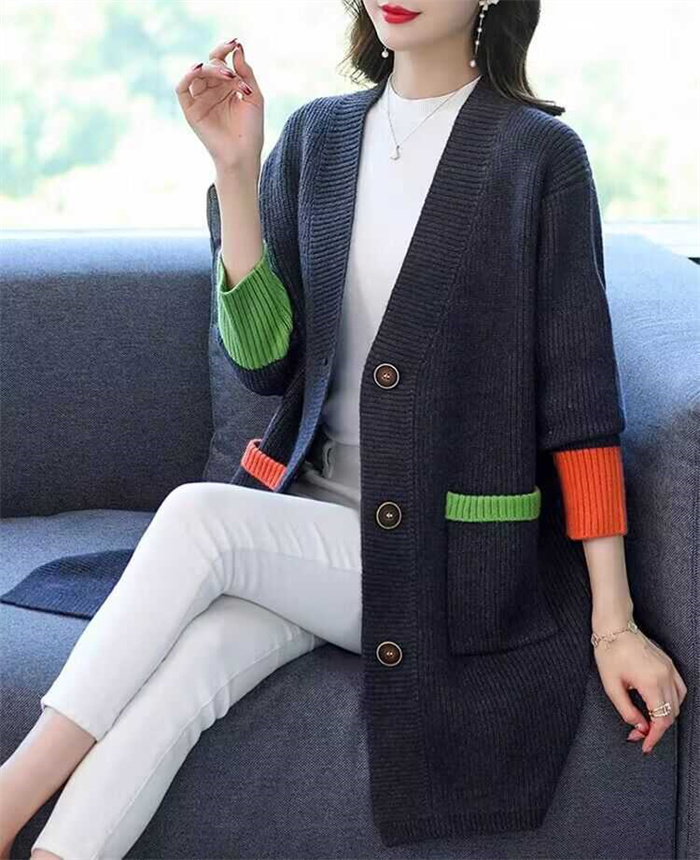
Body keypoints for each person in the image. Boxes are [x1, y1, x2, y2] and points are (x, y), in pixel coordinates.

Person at [0, 1, 688, 857]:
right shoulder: (318, 137)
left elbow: (581, 412)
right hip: (311, 529)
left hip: (442, 560)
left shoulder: (539, 158)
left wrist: (614, 624)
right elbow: (265, 363)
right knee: (192, 667)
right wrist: (237, 172)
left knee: (199, 518)